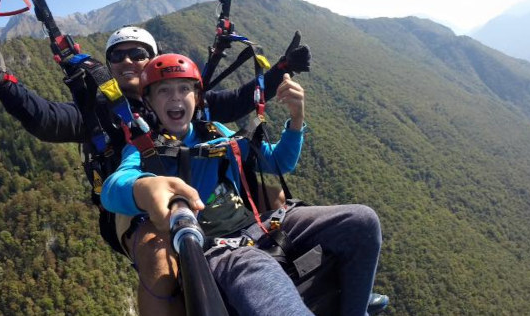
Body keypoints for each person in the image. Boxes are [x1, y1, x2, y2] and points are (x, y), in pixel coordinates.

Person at [0, 25, 310, 315]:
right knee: (157, 250)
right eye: (117, 56)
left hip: (191, 181)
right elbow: (47, 118)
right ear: (109, 66)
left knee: (274, 195)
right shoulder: (99, 113)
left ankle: (279, 278)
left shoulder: (175, 98)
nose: (128, 61)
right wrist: (4, 86)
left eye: (137, 53)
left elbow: (239, 99)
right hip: (131, 201)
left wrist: (281, 71)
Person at [101, 54, 383, 315]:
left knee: (361, 221)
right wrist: (145, 188)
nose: (176, 98)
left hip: (260, 224)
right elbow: (114, 188)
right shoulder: (145, 149)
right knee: (260, 269)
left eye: (184, 89)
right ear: (149, 101)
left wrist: (296, 121)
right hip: (216, 249)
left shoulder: (215, 131)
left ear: (197, 97)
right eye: (164, 90)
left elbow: (277, 162)